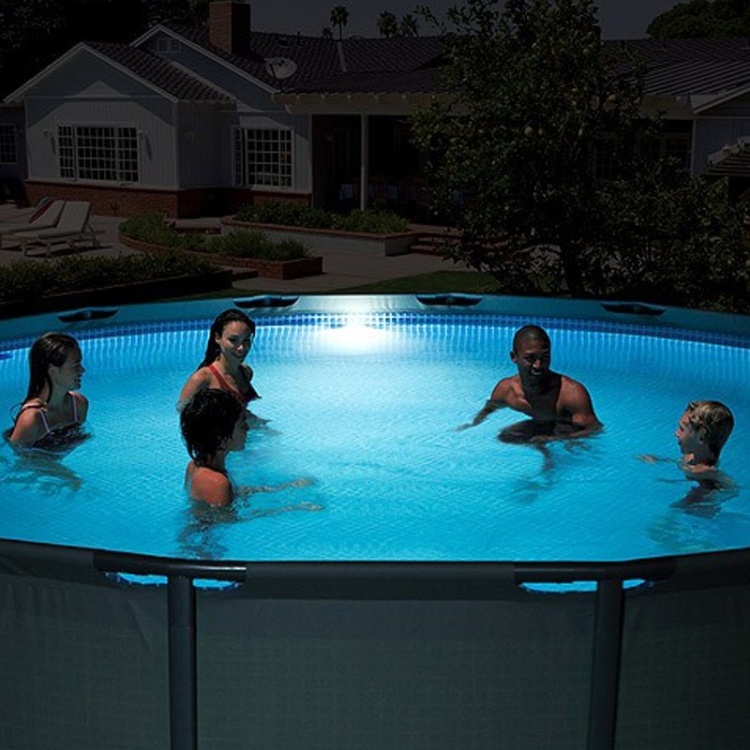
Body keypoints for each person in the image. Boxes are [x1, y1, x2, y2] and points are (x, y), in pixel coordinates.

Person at [460, 324, 602, 442]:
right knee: (505, 436)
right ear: (514, 357)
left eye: (544, 357)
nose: (538, 365)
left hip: (566, 431)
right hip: (541, 427)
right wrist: (472, 425)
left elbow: (595, 429)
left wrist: (556, 439)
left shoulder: (571, 393)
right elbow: (489, 408)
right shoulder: (506, 390)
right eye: (530, 358)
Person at [640, 400, 735, 509]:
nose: (676, 433)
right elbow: (683, 463)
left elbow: (699, 497)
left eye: (681, 429)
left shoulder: (702, 473)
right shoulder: (693, 457)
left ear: (701, 435)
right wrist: (661, 460)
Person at [7, 332, 89, 450]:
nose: (82, 370)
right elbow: (16, 457)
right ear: (52, 371)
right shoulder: (32, 419)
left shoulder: (79, 405)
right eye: (75, 365)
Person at [177, 309, 261, 414]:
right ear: (217, 338)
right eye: (233, 340)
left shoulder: (246, 372)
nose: (241, 348)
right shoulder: (202, 379)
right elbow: (183, 413)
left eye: (246, 340)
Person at [180, 388, 249, 507]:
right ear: (222, 437)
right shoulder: (218, 483)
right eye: (242, 424)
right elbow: (223, 519)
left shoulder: (194, 466)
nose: (247, 428)